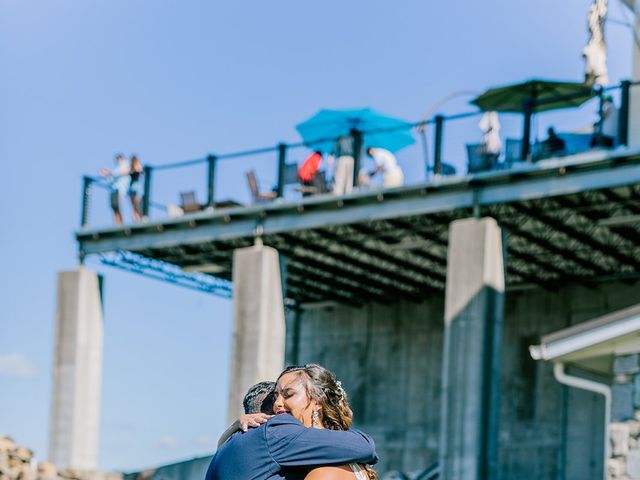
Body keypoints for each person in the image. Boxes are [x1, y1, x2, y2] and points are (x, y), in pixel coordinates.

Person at [206, 364, 378, 480]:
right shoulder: (276, 432)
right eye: (275, 397)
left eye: (289, 395)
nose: (277, 404)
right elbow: (365, 446)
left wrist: (233, 427)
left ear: (318, 400)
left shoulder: (239, 440)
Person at [99, 154, 130, 225]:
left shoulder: (125, 165)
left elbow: (120, 173)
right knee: (114, 207)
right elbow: (112, 177)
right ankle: (117, 223)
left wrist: (109, 173)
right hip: (114, 190)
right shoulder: (117, 168)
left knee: (117, 206)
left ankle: (120, 223)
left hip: (119, 190)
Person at [128, 155, 143, 222]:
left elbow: (140, 173)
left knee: (137, 205)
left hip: (136, 186)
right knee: (134, 206)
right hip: (131, 187)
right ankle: (136, 219)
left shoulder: (138, 165)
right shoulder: (130, 167)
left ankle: (140, 218)